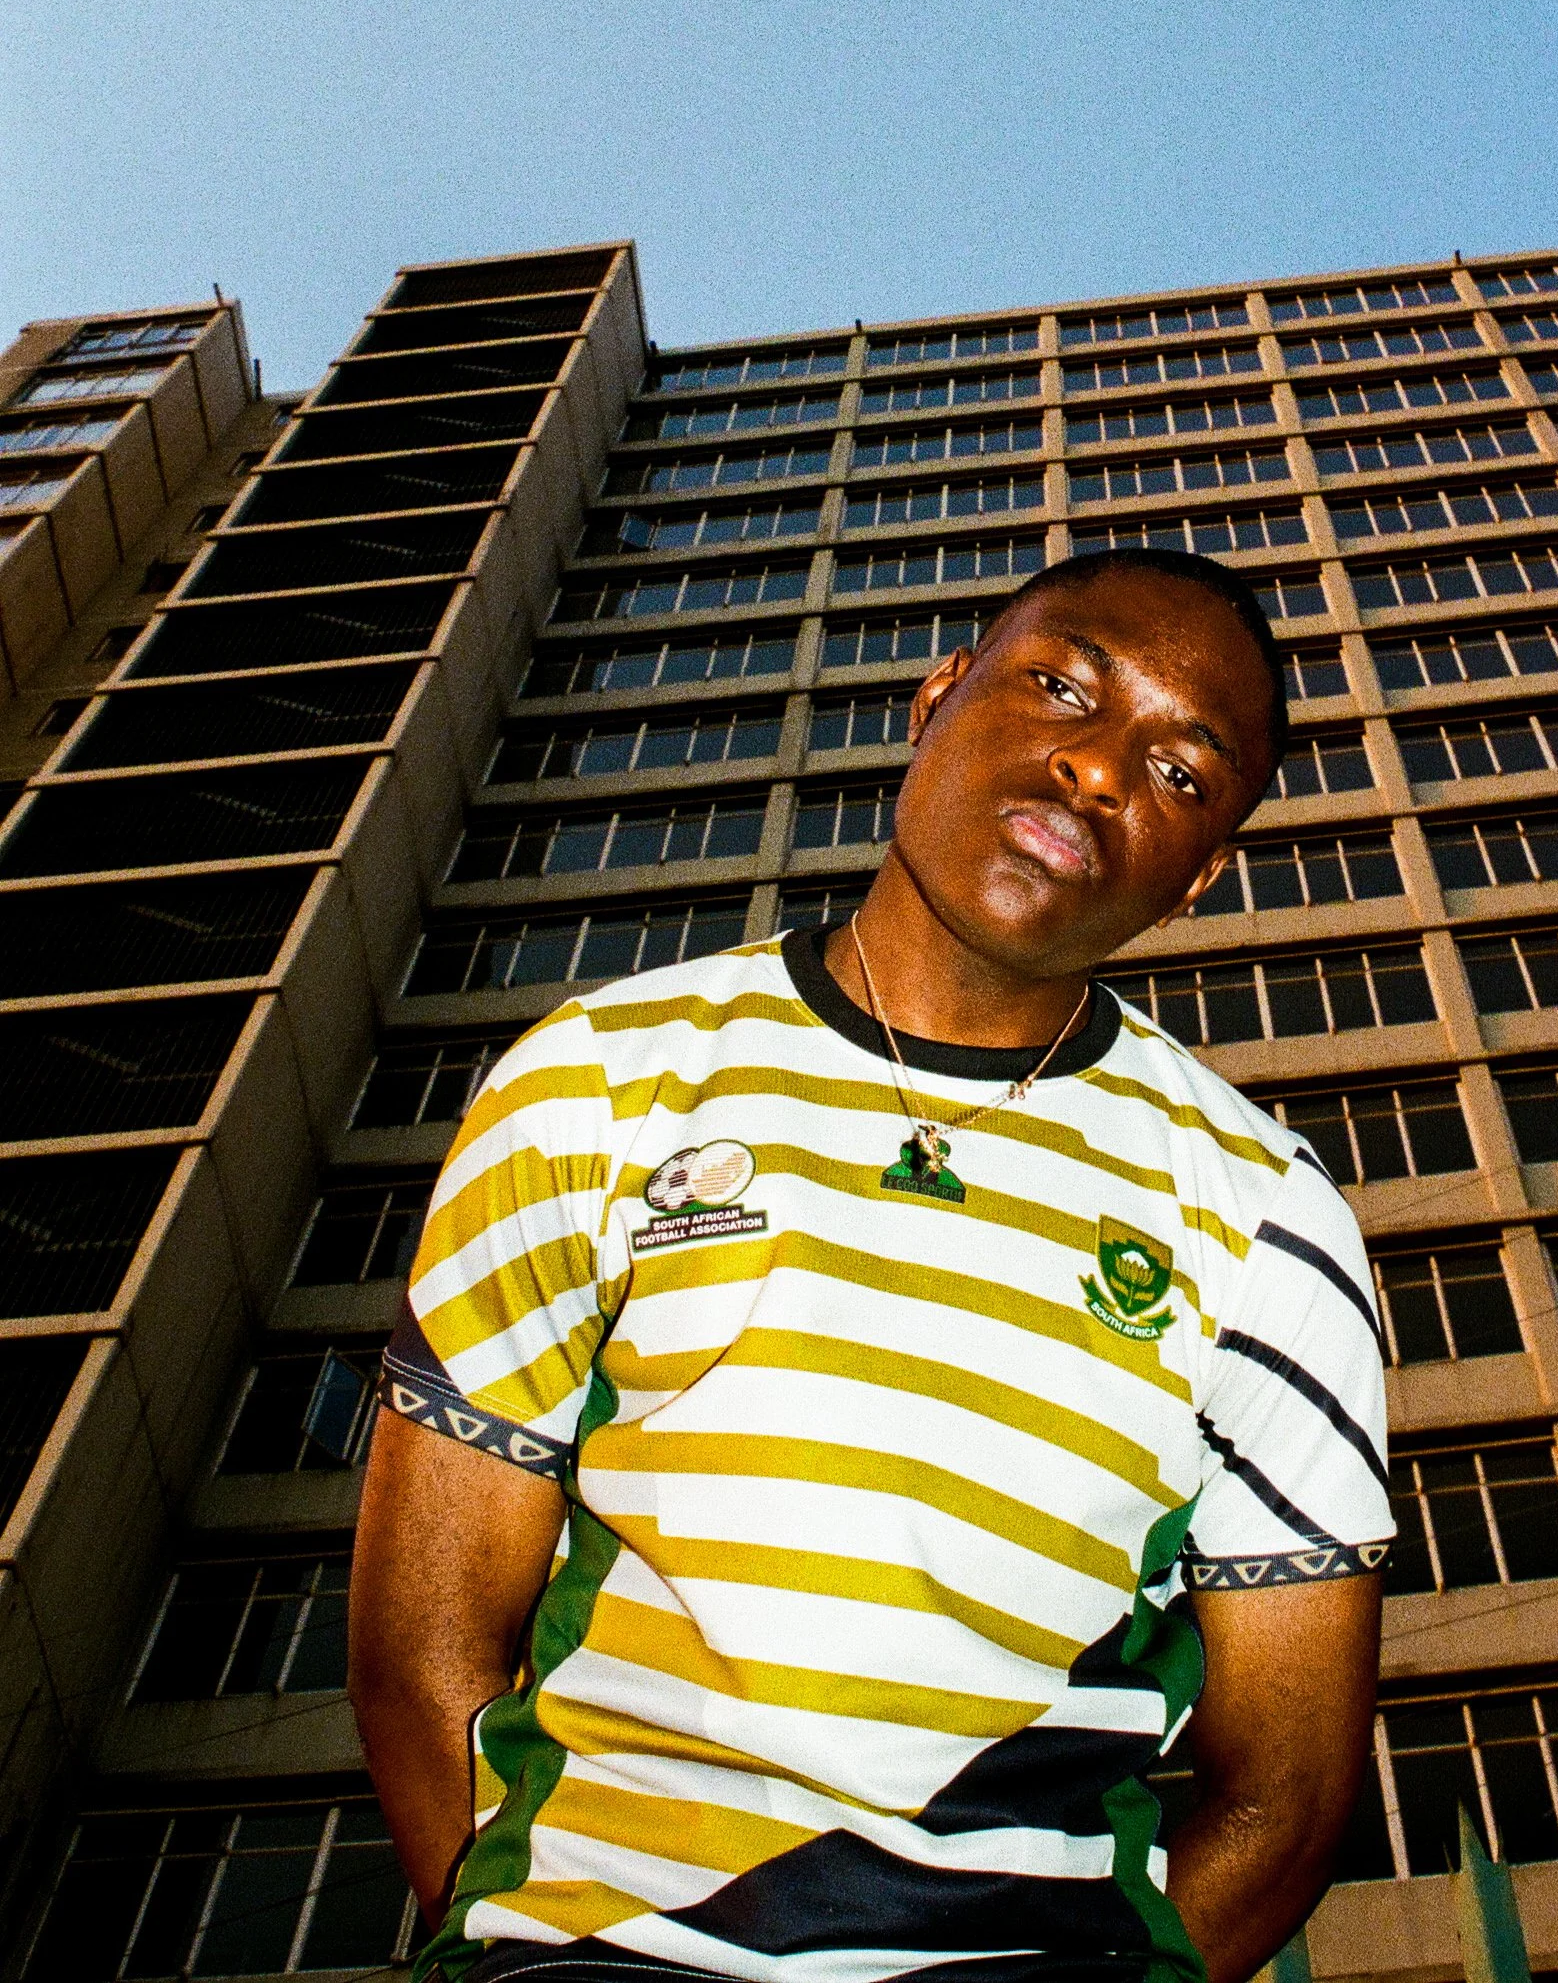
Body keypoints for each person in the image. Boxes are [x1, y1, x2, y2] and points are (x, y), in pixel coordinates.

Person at [350, 545, 1393, 1983]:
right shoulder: (594, 1081)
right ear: (938, 693)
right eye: (1061, 686)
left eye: (1177, 772)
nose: (1095, 767)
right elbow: (423, 1638)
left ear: (1198, 876)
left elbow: (1286, 1791)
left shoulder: (1270, 1216)